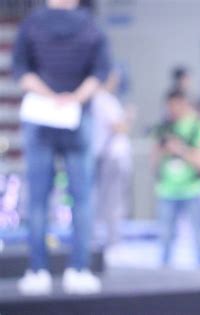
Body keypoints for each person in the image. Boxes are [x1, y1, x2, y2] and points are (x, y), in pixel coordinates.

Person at [12, 0, 110, 295]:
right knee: (82, 199)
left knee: (38, 200)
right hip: (77, 117)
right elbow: (100, 73)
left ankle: (37, 270)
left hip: (41, 117)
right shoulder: (91, 27)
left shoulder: (31, 24)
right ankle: (79, 269)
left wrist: (50, 95)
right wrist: (74, 98)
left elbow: (21, 71)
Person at [151, 90, 200, 268]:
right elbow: (153, 165)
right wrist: (161, 151)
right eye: (169, 106)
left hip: (194, 190)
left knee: (199, 237)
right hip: (167, 190)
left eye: (175, 105)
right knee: (165, 238)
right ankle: (163, 277)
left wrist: (180, 150)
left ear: (184, 103)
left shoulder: (199, 127)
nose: (172, 110)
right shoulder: (163, 127)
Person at [91, 69, 133, 245]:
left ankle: (109, 239)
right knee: (111, 202)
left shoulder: (108, 99)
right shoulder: (102, 99)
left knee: (113, 200)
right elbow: (118, 127)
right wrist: (129, 117)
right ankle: (110, 241)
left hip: (113, 157)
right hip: (110, 157)